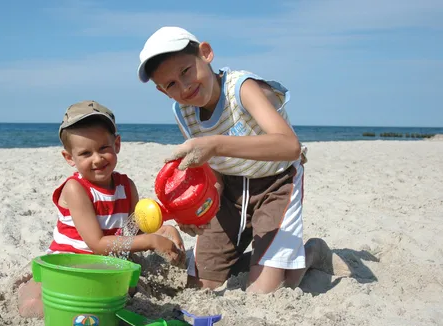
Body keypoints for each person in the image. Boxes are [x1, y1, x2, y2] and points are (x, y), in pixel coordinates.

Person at [137, 27, 350, 294]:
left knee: (264, 293)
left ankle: (310, 254)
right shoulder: (183, 112)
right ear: (162, 91)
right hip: (229, 190)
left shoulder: (241, 88)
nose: (184, 86)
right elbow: (210, 171)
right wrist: (200, 207)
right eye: (171, 85)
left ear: (206, 53)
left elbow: (289, 146)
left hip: (277, 183)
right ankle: (262, 261)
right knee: (202, 286)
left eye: (185, 71)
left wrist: (214, 144)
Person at [18, 100, 185, 317]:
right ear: (69, 158)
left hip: (108, 265)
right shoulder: (75, 189)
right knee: (37, 305)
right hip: (71, 263)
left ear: (117, 144)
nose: (97, 159)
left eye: (103, 148)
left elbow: (131, 232)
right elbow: (97, 244)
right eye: (86, 153)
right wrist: (151, 241)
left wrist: (163, 231)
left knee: (123, 293)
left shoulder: (126, 186)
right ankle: (28, 288)